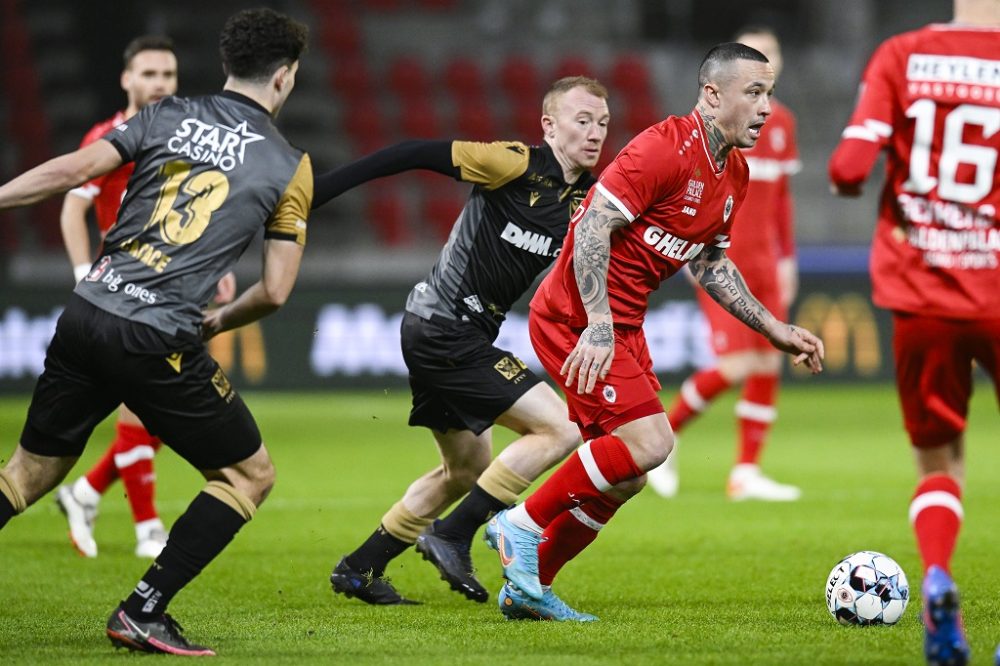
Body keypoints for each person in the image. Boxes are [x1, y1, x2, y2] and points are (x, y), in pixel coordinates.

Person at [0, 8, 310, 655]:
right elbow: (276, 291)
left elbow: (68, 173)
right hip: (157, 334)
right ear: (284, 77)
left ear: (227, 65)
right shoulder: (288, 165)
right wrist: (218, 319)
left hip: (88, 312)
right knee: (248, 476)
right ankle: (143, 609)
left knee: (27, 473)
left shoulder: (162, 115)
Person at [485, 42, 825, 620]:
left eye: (768, 93)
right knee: (653, 445)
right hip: (578, 315)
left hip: (625, 319)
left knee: (628, 476)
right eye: (755, 93)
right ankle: (518, 523)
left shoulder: (733, 172)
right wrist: (597, 325)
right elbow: (593, 224)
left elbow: (710, 262)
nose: (767, 107)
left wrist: (773, 327)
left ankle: (529, 584)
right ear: (713, 95)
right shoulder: (664, 148)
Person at [313, 77, 610, 615]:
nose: (594, 133)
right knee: (561, 428)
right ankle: (453, 534)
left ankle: (359, 568)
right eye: (581, 119)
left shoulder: (587, 199)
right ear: (549, 125)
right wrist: (316, 191)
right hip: (443, 327)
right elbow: (409, 153)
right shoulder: (512, 164)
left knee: (467, 471)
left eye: (602, 123)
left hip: (449, 333)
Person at [829, 2, 998, 663]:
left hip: (923, 291)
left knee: (940, 458)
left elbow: (847, 170)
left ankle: (936, 575)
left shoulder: (902, 55)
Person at [648, 26, 803, 502]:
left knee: (767, 363)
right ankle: (664, 441)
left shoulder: (783, 123)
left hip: (765, 261)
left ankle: (746, 472)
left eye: (772, 57)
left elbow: (780, 202)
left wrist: (787, 259)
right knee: (736, 364)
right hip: (722, 260)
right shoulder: (722, 125)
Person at [54, 35, 180, 560]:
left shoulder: (181, 136)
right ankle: (148, 527)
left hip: (173, 287)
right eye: (149, 74)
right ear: (127, 79)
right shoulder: (108, 138)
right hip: (123, 292)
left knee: (169, 410)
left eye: (169, 75)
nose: (160, 84)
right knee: (139, 406)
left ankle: (83, 493)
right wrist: (85, 274)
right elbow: (70, 208)